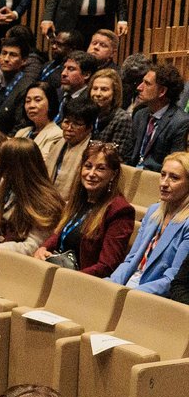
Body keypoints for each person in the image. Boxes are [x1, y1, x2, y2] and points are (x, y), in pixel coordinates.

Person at [36, 140, 133, 276]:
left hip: (83, 282)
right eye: (88, 166)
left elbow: (107, 266)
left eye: (100, 168)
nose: (91, 173)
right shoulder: (79, 199)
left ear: (113, 174)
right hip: (59, 273)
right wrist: (44, 248)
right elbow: (60, 233)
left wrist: (71, 278)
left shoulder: (119, 211)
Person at [109, 152, 189, 295]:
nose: (164, 183)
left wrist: (128, 294)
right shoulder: (153, 211)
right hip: (128, 286)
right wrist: (111, 286)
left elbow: (172, 279)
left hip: (152, 296)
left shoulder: (187, 224)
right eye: (163, 175)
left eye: (174, 178)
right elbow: (131, 260)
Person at [0, 137, 64, 255]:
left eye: (2, 158)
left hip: (20, 264)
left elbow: (32, 246)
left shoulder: (46, 202)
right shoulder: (4, 187)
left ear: (14, 166)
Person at [129, 64, 189, 172]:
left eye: (147, 84)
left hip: (157, 180)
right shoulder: (139, 114)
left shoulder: (181, 122)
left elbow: (176, 164)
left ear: (162, 91)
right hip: (132, 174)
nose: (139, 87)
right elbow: (129, 153)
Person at [0, 36, 36, 135]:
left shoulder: (28, 88)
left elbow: (21, 128)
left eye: (13, 55)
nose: (6, 59)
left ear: (24, 61)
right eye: (4, 53)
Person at [49, 96, 99, 195]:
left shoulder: (94, 153)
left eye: (77, 124)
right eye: (66, 122)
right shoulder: (56, 144)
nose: (69, 128)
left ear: (89, 128)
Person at [88, 69, 134, 160]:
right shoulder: (88, 113)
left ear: (115, 93)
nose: (97, 94)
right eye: (95, 88)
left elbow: (115, 156)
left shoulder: (122, 119)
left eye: (104, 89)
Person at [15, 81, 65, 161]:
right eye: (28, 101)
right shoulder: (22, 132)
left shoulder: (57, 135)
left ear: (50, 103)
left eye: (37, 100)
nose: (31, 105)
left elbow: (39, 164)